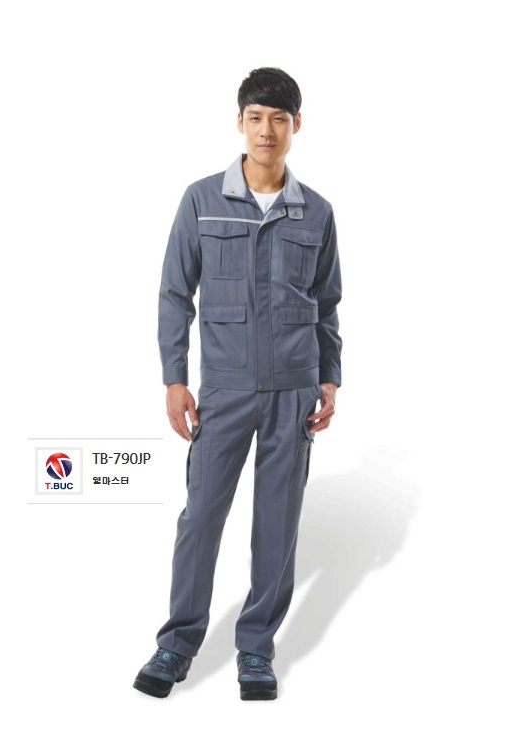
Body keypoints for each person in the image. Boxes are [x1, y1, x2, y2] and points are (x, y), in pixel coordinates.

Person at [133, 67, 342, 701]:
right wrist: (174, 378)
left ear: (296, 124)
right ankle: (177, 644)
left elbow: (327, 303)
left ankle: (256, 648)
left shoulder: (317, 212)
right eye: (256, 117)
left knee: (277, 524)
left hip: (293, 389)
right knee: (201, 517)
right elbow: (175, 294)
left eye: (279, 118)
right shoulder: (201, 200)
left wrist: (329, 377)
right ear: (240, 122)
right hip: (223, 388)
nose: (266, 130)